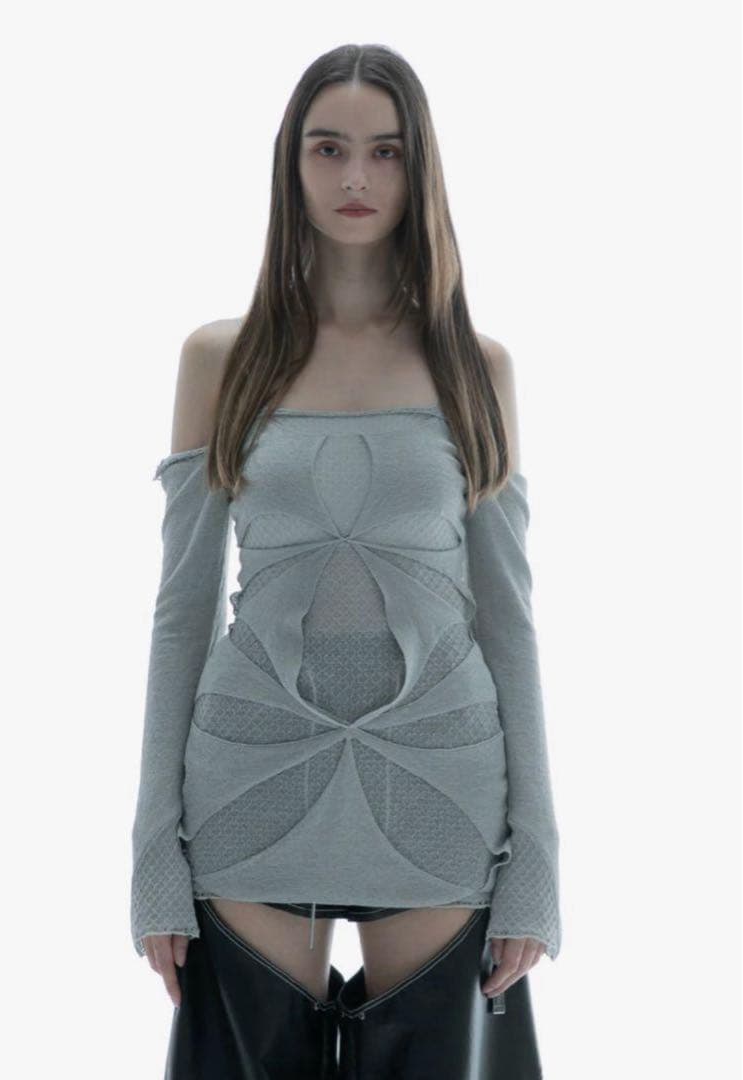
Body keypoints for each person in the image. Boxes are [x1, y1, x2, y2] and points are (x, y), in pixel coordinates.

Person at [130, 42, 562, 1080]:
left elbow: (508, 619)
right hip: (250, 776)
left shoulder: (474, 367)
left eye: (385, 151)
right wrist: (153, 855)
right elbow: (181, 613)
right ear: (293, 165)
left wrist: (536, 863)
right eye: (328, 149)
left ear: (420, 169)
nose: (356, 177)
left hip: (439, 783)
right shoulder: (221, 359)